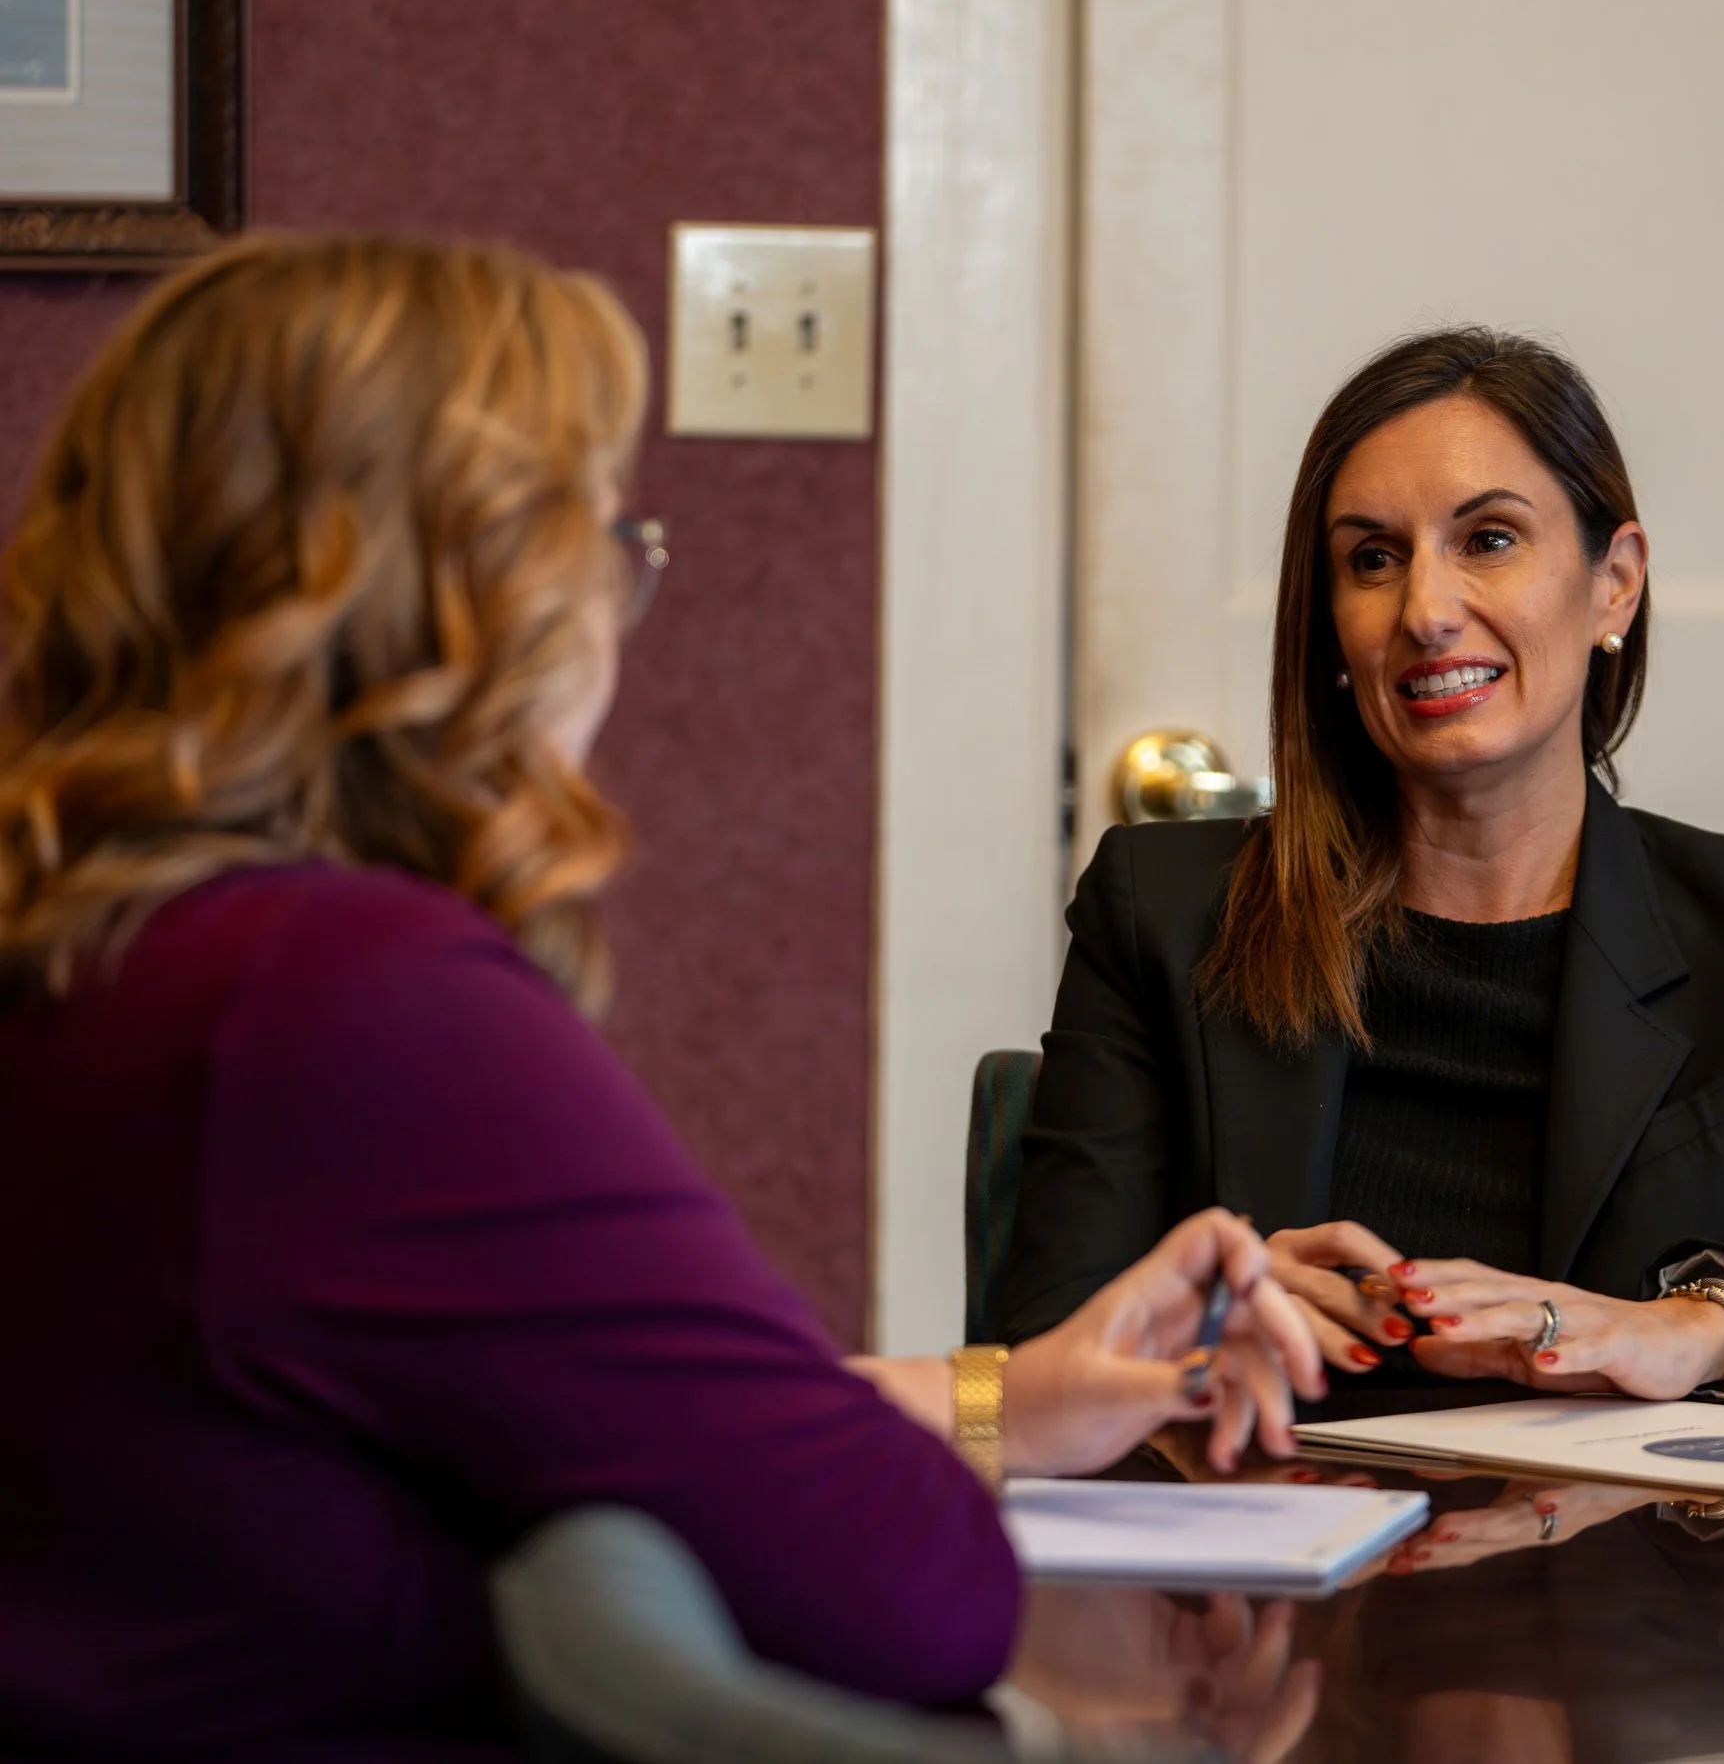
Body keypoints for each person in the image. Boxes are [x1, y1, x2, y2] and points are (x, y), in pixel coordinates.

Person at [0, 233, 1322, 1758]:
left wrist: (1004, 1403)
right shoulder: (347, 1010)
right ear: (466, 599)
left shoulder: (104, 960)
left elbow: (621, 1403)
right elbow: (910, 1588)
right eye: (599, 544)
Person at [1001, 327, 1724, 1403]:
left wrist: (1686, 1327)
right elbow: (1031, 1348)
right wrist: (1200, 1325)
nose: (1425, 611)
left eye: (1487, 538)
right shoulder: (1162, 912)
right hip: (1268, 1548)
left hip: (1624, 1554)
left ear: (1613, 584)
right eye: (1372, 558)